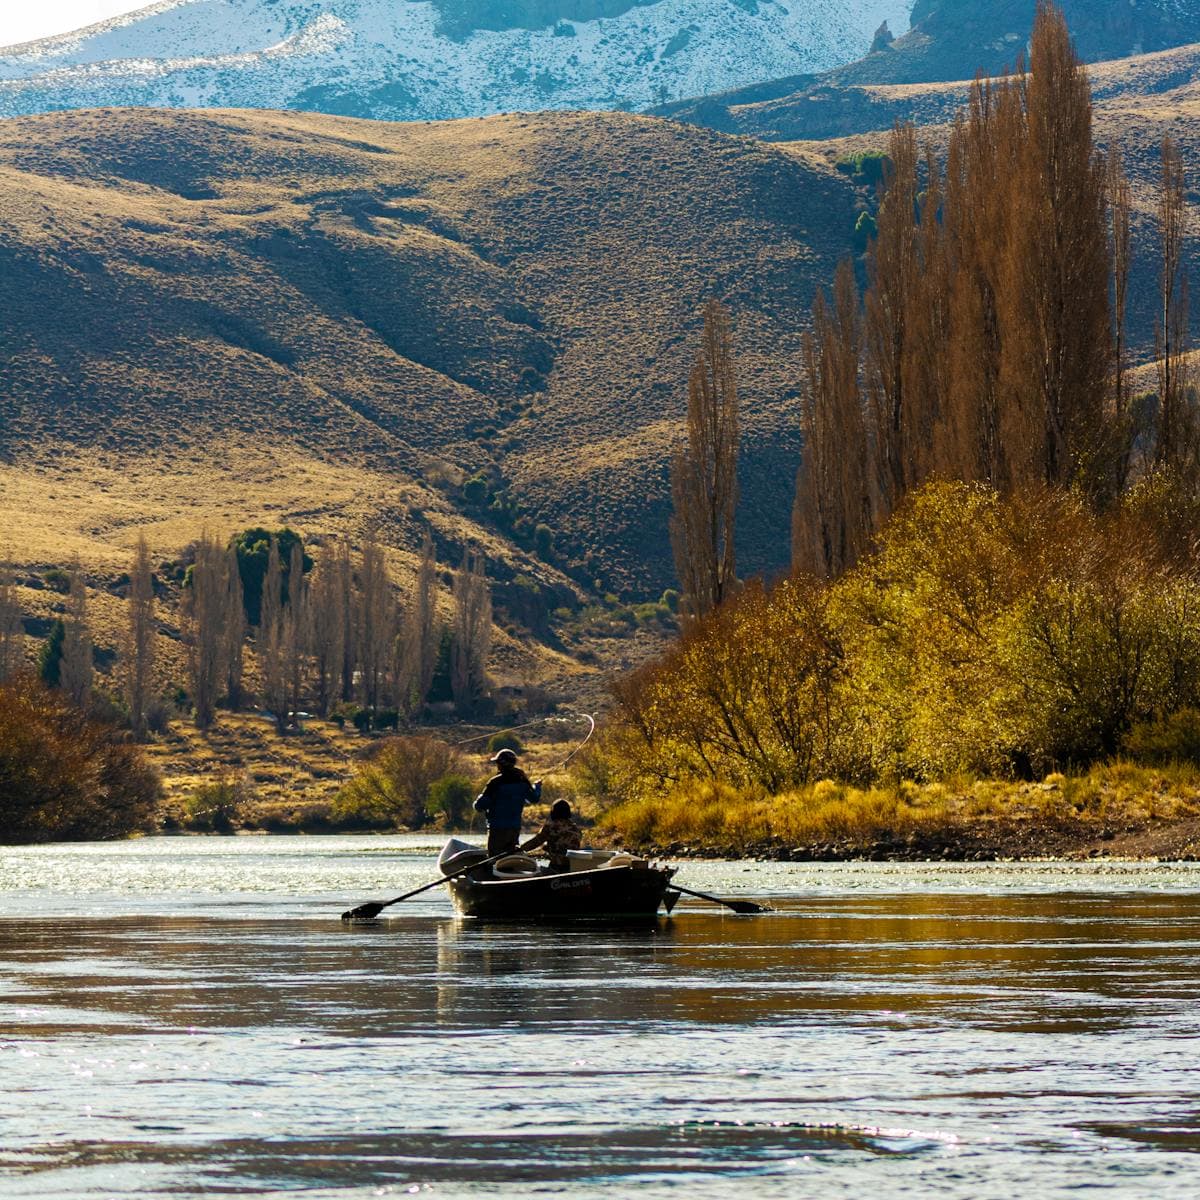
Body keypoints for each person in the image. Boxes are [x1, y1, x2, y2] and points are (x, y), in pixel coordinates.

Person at [474, 748, 540, 856]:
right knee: (510, 859)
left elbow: (479, 806)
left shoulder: (495, 782)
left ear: (500, 765)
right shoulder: (522, 781)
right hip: (514, 829)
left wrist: (479, 798)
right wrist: (537, 787)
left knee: (494, 859)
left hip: (497, 829)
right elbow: (534, 798)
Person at [522, 799, 583, 873]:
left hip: (556, 867)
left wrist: (520, 849)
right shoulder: (576, 829)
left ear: (553, 812)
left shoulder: (550, 827)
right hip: (573, 867)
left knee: (533, 870)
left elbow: (536, 842)